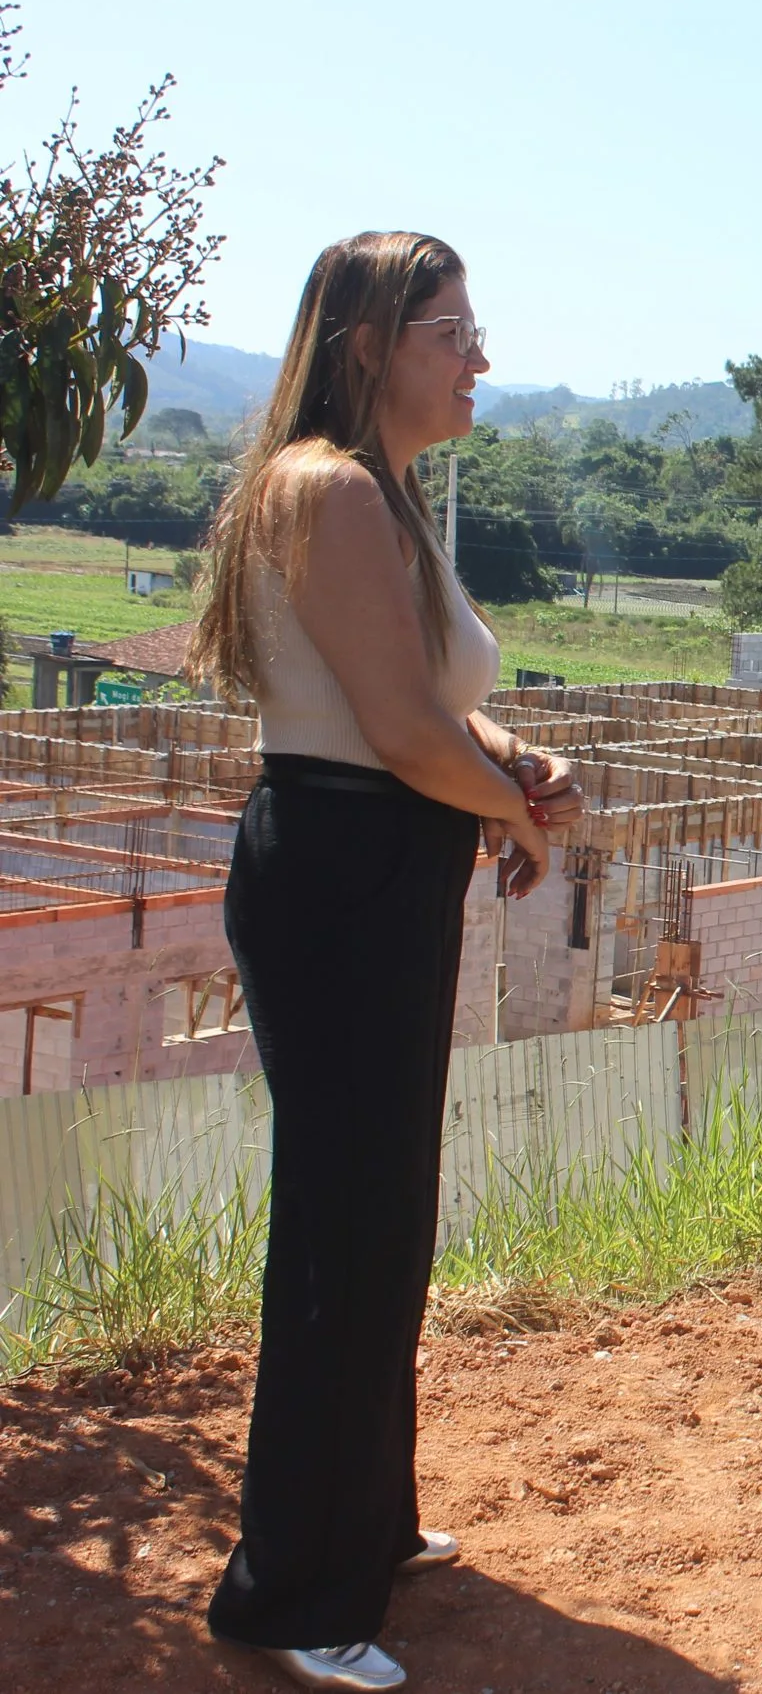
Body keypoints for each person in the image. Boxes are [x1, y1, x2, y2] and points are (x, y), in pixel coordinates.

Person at [185, 232, 585, 1693]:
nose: (478, 357)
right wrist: (523, 802)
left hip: (386, 858)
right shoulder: (326, 490)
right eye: (452, 330)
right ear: (369, 345)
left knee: (383, 1216)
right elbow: (400, 739)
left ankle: (367, 1523)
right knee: (342, 1232)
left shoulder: (388, 496)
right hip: (347, 867)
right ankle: (293, 1593)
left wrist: (517, 766)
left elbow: (431, 717)